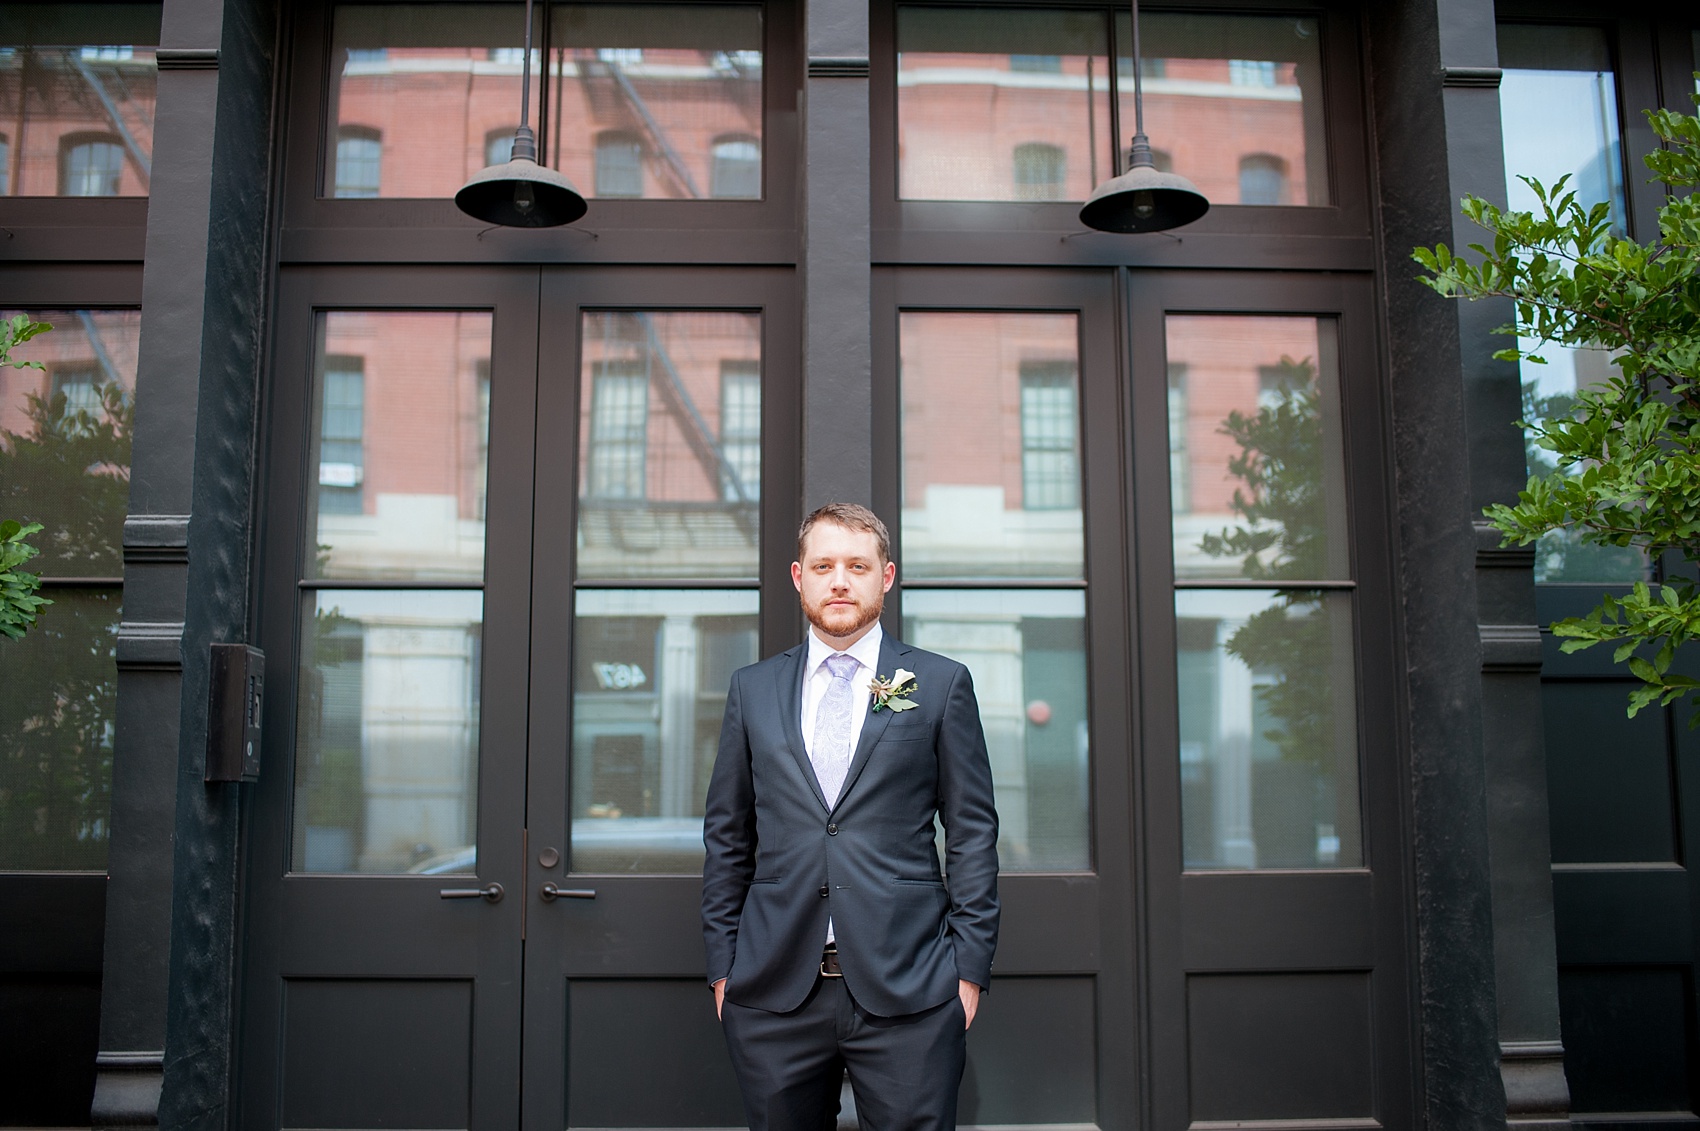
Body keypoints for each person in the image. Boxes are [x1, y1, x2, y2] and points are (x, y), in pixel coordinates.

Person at [702, 502, 1000, 1131]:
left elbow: (972, 833)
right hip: (775, 991)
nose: (840, 580)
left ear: (885, 577)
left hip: (912, 990)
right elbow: (728, 838)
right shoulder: (751, 690)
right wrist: (724, 969)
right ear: (798, 576)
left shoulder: (941, 685)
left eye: (857, 565)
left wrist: (966, 971)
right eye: (824, 565)